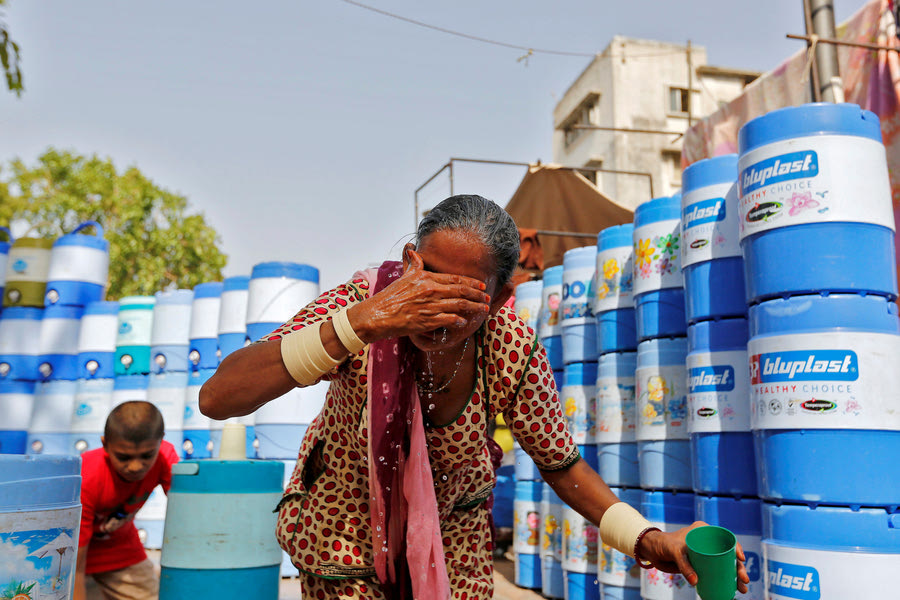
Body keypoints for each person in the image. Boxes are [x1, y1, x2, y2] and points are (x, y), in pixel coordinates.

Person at [200, 195, 749, 599]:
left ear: (502, 296)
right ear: (411, 261)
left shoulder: (510, 348)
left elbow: (560, 465)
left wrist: (650, 539)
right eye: (428, 280)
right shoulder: (359, 307)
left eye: (462, 295)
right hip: (343, 539)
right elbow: (220, 397)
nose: (436, 309)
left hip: (452, 549)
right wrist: (366, 322)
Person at [74, 401, 180, 600]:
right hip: (72, 550)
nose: (135, 466)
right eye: (124, 457)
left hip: (120, 545)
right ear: (105, 445)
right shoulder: (86, 477)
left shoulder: (165, 458)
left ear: (160, 441)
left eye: (147, 456)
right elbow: (74, 565)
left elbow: (189, 511)